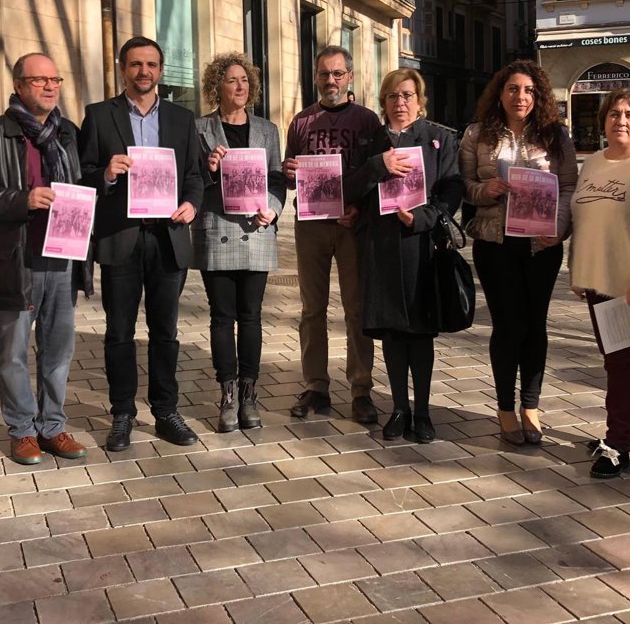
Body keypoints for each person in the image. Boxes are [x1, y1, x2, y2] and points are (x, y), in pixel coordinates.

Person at [79, 36, 205, 452]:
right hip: (121, 237)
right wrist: (106, 174)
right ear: (122, 69)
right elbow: (82, 173)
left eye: (151, 64)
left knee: (165, 331)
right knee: (119, 332)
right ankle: (122, 413)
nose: (144, 72)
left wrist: (191, 204)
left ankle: (166, 411)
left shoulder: (182, 119)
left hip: (168, 237)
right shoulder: (99, 116)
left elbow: (194, 174)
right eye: (135, 64)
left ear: (161, 70)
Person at [0, 53, 87, 466]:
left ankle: (52, 426)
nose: (50, 87)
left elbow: (84, 184)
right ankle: (21, 430)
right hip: (17, 259)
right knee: (14, 351)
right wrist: (23, 199)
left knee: (58, 349)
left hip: (63, 255)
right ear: (18, 85)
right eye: (39, 80)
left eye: (55, 80)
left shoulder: (68, 133)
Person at [460, 60, 577, 446]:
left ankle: (531, 406)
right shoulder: (476, 134)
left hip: (541, 244)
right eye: (513, 89)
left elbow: (568, 187)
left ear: (538, 96)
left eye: (528, 90)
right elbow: (464, 185)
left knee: (535, 325)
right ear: (500, 93)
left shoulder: (556, 135)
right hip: (495, 243)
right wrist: (485, 190)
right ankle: (505, 408)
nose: (520, 97)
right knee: (507, 325)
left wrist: (558, 228)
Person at [344, 69, 462, 443]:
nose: (400, 103)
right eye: (393, 96)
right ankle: (399, 409)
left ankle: (422, 412)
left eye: (408, 95)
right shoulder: (371, 141)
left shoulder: (439, 139)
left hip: (420, 246)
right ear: (384, 101)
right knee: (393, 332)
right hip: (379, 246)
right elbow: (350, 188)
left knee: (420, 332)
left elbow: (452, 189)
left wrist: (424, 218)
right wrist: (378, 165)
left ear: (420, 100)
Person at [568, 88, 630, 478]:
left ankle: (618, 445)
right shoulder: (592, 162)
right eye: (613, 114)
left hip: (628, 284)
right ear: (602, 121)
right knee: (617, 362)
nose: (620, 120)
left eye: (629, 114)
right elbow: (584, 221)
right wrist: (578, 271)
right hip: (596, 280)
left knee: (621, 365)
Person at [283, 46, 382, 424]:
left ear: (350, 77)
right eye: (324, 73)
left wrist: (360, 207)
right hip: (311, 224)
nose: (331, 80)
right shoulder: (301, 122)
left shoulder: (367, 121)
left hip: (353, 226)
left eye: (338, 73)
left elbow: (378, 174)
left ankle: (361, 390)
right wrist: (288, 172)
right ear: (316, 77)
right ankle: (316, 386)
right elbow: (290, 172)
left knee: (356, 309)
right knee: (312, 309)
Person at [193, 52, 286, 431]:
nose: (239, 86)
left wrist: (273, 209)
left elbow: (277, 178)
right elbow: (190, 180)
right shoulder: (200, 128)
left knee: (251, 316)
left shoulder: (267, 129)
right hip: (216, 229)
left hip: (257, 229)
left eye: (244, 80)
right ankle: (227, 393)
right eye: (231, 80)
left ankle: (249, 393)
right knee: (221, 316)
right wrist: (208, 167)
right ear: (216, 86)